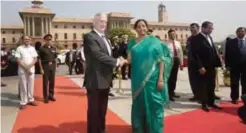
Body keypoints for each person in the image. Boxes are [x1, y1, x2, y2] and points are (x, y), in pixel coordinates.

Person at [83, 12, 127, 133]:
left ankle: (101, 130)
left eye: (105, 22)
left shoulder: (106, 38)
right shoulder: (90, 37)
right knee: (94, 111)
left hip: (105, 79)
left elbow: (108, 55)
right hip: (95, 80)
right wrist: (117, 62)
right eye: (101, 21)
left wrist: (119, 60)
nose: (103, 24)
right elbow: (98, 55)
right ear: (94, 23)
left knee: (102, 109)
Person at [128, 19, 172, 133]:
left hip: (153, 78)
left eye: (143, 26)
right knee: (139, 104)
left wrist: (161, 79)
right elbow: (129, 60)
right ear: (135, 29)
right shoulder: (132, 43)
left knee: (155, 104)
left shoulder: (154, 41)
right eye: (138, 26)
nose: (141, 28)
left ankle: (155, 129)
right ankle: (140, 128)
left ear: (147, 27)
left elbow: (161, 60)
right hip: (137, 78)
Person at [190, 21, 222, 112]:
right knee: (203, 86)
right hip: (203, 67)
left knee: (211, 85)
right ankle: (204, 104)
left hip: (212, 66)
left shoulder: (210, 37)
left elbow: (213, 51)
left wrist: (217, 62)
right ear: (203, 28)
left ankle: (211, 102)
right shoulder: (196, 39)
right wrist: (200, 66)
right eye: (209, 28)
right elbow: (195, 55)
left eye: (212, 28)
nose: (211, 30)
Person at [15, 35, 38, 109]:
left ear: (30, 40)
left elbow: (35, 59)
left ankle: (31, 99)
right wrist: (25, 68)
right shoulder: (19, 48)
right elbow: (18, 60)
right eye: (25, 39)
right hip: (22, 70)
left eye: (28, 39)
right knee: (23, 86)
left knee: (31, 85)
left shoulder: (32, 48)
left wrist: (29, 67)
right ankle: (23, 102)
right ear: (22, 40)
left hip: (31, 70)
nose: (27, 40)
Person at [225, 27, 246, 104]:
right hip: (234, 66)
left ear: (245, 33)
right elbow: (227, 54)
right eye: (239, 31)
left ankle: (244, 97)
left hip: (245, 66)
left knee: (245, 83)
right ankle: (234, 98)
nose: (241, 32)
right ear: (236, 32)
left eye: (242, 31)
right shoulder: (230, 42)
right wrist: (227, 65)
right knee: (234, 82)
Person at [39, 34, 58, 103]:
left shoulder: (54, 48)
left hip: (52, 66)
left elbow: (55, 58)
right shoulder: (42, 49)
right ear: (45, 40)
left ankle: (51, 95)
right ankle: (45, 97)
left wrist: (56, 66)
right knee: (45, 83)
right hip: (45, 66)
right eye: (47, 39)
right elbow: (40, 59)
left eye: (50, 39)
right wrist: (41, 68)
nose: (49, 41)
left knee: (52, 82)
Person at [166, 29, 184, 101]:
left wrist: (181, 63)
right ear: (168, 35)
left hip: (176, 61)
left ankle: (172, 91)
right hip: (169, 62)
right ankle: (169, 94)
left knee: (174, 78)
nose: (172, 36)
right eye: (170, 35)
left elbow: (181, 53)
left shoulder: (178, 43)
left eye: (173, 34)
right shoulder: (165, 44)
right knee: (170, 78)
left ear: (175, 35)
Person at [187, 23, 200, 101]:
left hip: (200, 63)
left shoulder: (201, 38)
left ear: (198, 28)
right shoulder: (189, 39)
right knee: (193, 80)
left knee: (200, 81)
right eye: (191, 28)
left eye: (193, 27)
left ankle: (202, 96)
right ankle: (196, 95)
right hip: (191, 62)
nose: (191, 29)